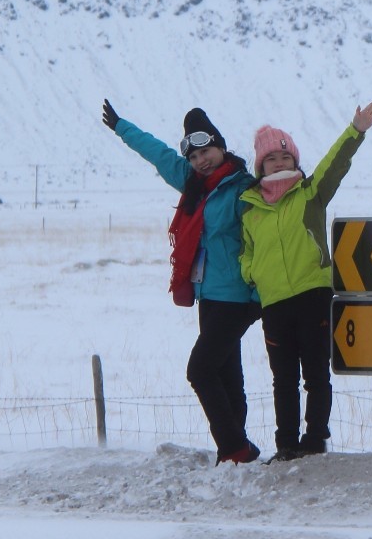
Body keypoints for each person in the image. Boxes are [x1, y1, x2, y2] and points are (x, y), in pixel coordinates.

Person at [99, 99, 262, 465]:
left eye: (207, 151)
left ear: (221, 147)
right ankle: (239, 449)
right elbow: (156, 153)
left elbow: (260, 243)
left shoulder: (243, 189)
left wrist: (257, 297)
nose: (202, 160)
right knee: (226, 372)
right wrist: (122, 127)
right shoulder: (195, 187)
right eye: (194, 156)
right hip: (210, 296)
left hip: (237, 297)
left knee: (200, 370)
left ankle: (235, 449)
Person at [237, 101, 372, 460]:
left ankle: (315, 441)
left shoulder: (311, 193)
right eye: (271, 159)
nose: (279, 163)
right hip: (274, 304)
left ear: (295, 160)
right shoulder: (252, 210)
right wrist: (251, 272)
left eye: (285, 157)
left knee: (315, 375)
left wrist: (356, 130)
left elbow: (335, 164)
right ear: (260, 166)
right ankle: (286, 444)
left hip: (313, 295)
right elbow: (246, 253)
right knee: (282, 381)